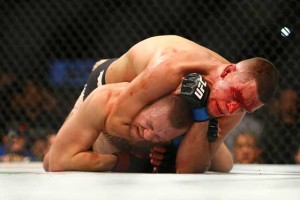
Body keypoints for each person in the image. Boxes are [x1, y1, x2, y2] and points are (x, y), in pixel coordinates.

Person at [59, 35, 279, 173]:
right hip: (110, 91)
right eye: (236, 96)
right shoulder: (172, 66)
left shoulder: (234, 106)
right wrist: (163, 154)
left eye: (244, 108)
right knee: (59, 159)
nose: (232, 108)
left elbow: (190, 169)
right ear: (228, 71)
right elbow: (118, 122)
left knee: (222, 163)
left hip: (162, 125)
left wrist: (202, 114)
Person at [44, 82, 197, 172]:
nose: (148, 136)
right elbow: (56, 163)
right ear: (145, 102)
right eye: (149, 124)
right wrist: (122, 161)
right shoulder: (105, 100)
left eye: (159, 138)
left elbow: (220, 165)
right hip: (102, 83)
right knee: (48, 160)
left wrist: (175, 160)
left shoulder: (188, 127)